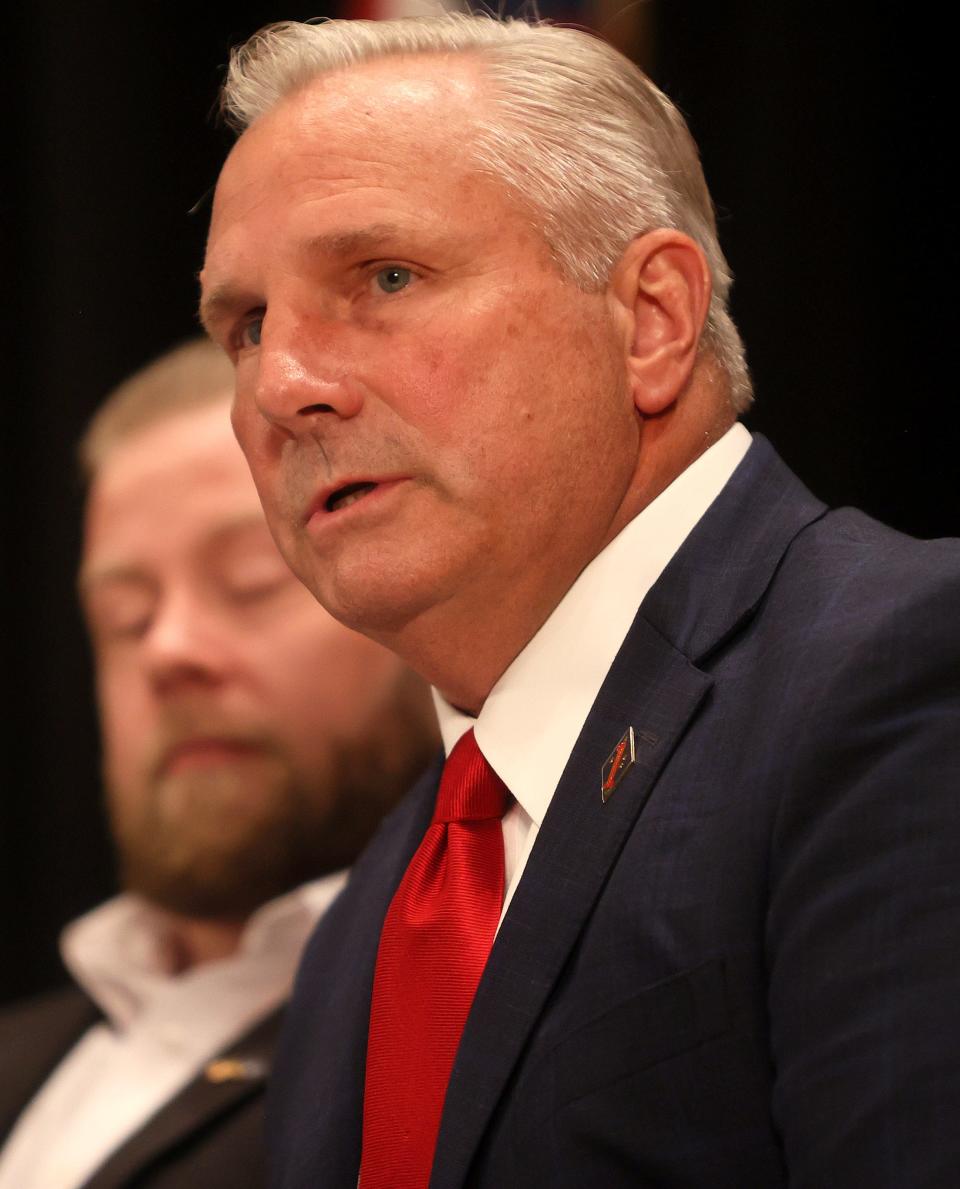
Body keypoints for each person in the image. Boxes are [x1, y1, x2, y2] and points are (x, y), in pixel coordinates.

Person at [199, 15, 960, 1188]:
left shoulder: (904, 671)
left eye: (385, 277)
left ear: (651, 317)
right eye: (247, 326)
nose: (285, 384)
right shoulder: (367, 922)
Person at [0, 339, 438, 1189]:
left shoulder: (485, 1038)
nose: (168, 650)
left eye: (249, 580)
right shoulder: (23, 1052)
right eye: (126, 618)